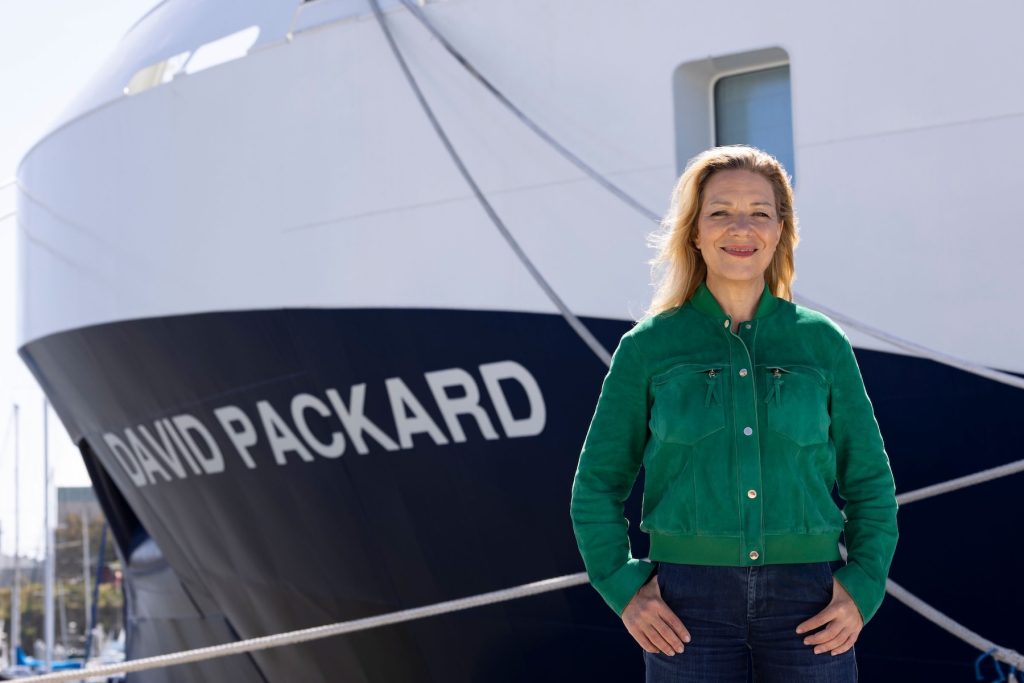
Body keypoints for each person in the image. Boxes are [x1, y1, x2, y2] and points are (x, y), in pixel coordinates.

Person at [569, 145, 898, 681]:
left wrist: (862, 588)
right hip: (685, 609)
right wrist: (622, 587)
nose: (741, 227)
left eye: (759, 213)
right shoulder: (648, 348)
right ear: (694, 232)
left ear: (779, 231)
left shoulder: (821, 343)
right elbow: (596, 486)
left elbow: (871, 483)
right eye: (720, 212)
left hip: (810, 604)